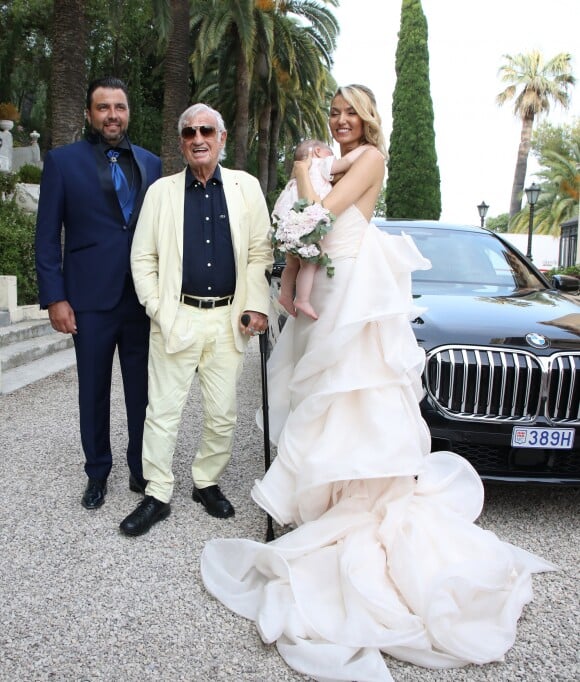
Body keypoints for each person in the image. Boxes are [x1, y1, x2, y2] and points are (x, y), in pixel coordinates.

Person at [200, 85, 555, 682]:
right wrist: (305, 179)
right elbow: (308, 215)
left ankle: (360, 504)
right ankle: (329, 499)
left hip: (355, 295)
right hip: (331, 284)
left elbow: (321, 211)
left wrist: (300, 172)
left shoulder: (371, 158)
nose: (340, 122)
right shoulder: (342, 155)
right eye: (334, 114)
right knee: (323, 398)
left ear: (368, 120)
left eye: (350, 114)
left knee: (356, 392)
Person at [119, 103, 273, 537]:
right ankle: (158, 492)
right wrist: (159, 309)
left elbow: (261, 251)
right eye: (189, 133)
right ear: (181, 142)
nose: (198, 138)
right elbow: (143, 258)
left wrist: (257, 304)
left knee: (223, 414)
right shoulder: (161, 192)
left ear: (222, 138)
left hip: (229, 319)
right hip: (178, 316)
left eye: (207, 130)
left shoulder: (246, 188)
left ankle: (205, 482)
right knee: (163, 412)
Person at [35, 76, 162, 510]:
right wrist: (55, 297)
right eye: (103, 107)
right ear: (90, 114)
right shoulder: (62, 162)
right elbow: (47, 235)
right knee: (92, 390)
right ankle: (97, 473)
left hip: (141, 301)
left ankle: (139, 469)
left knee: (142, 391)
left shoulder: (152, 163)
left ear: (128, 113)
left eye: (120, 107)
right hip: (87, 301)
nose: (112, 115)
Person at [273, 138, 369, 320]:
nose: (333, 157)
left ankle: (285, 295)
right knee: (309, 263)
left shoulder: (296, 179)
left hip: (287, 223)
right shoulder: (320, 163)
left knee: (292, 263)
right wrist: (364, 150)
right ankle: (302, 299)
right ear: (317, 151)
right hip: (305, 221)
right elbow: (346, 162)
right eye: (330, 153)